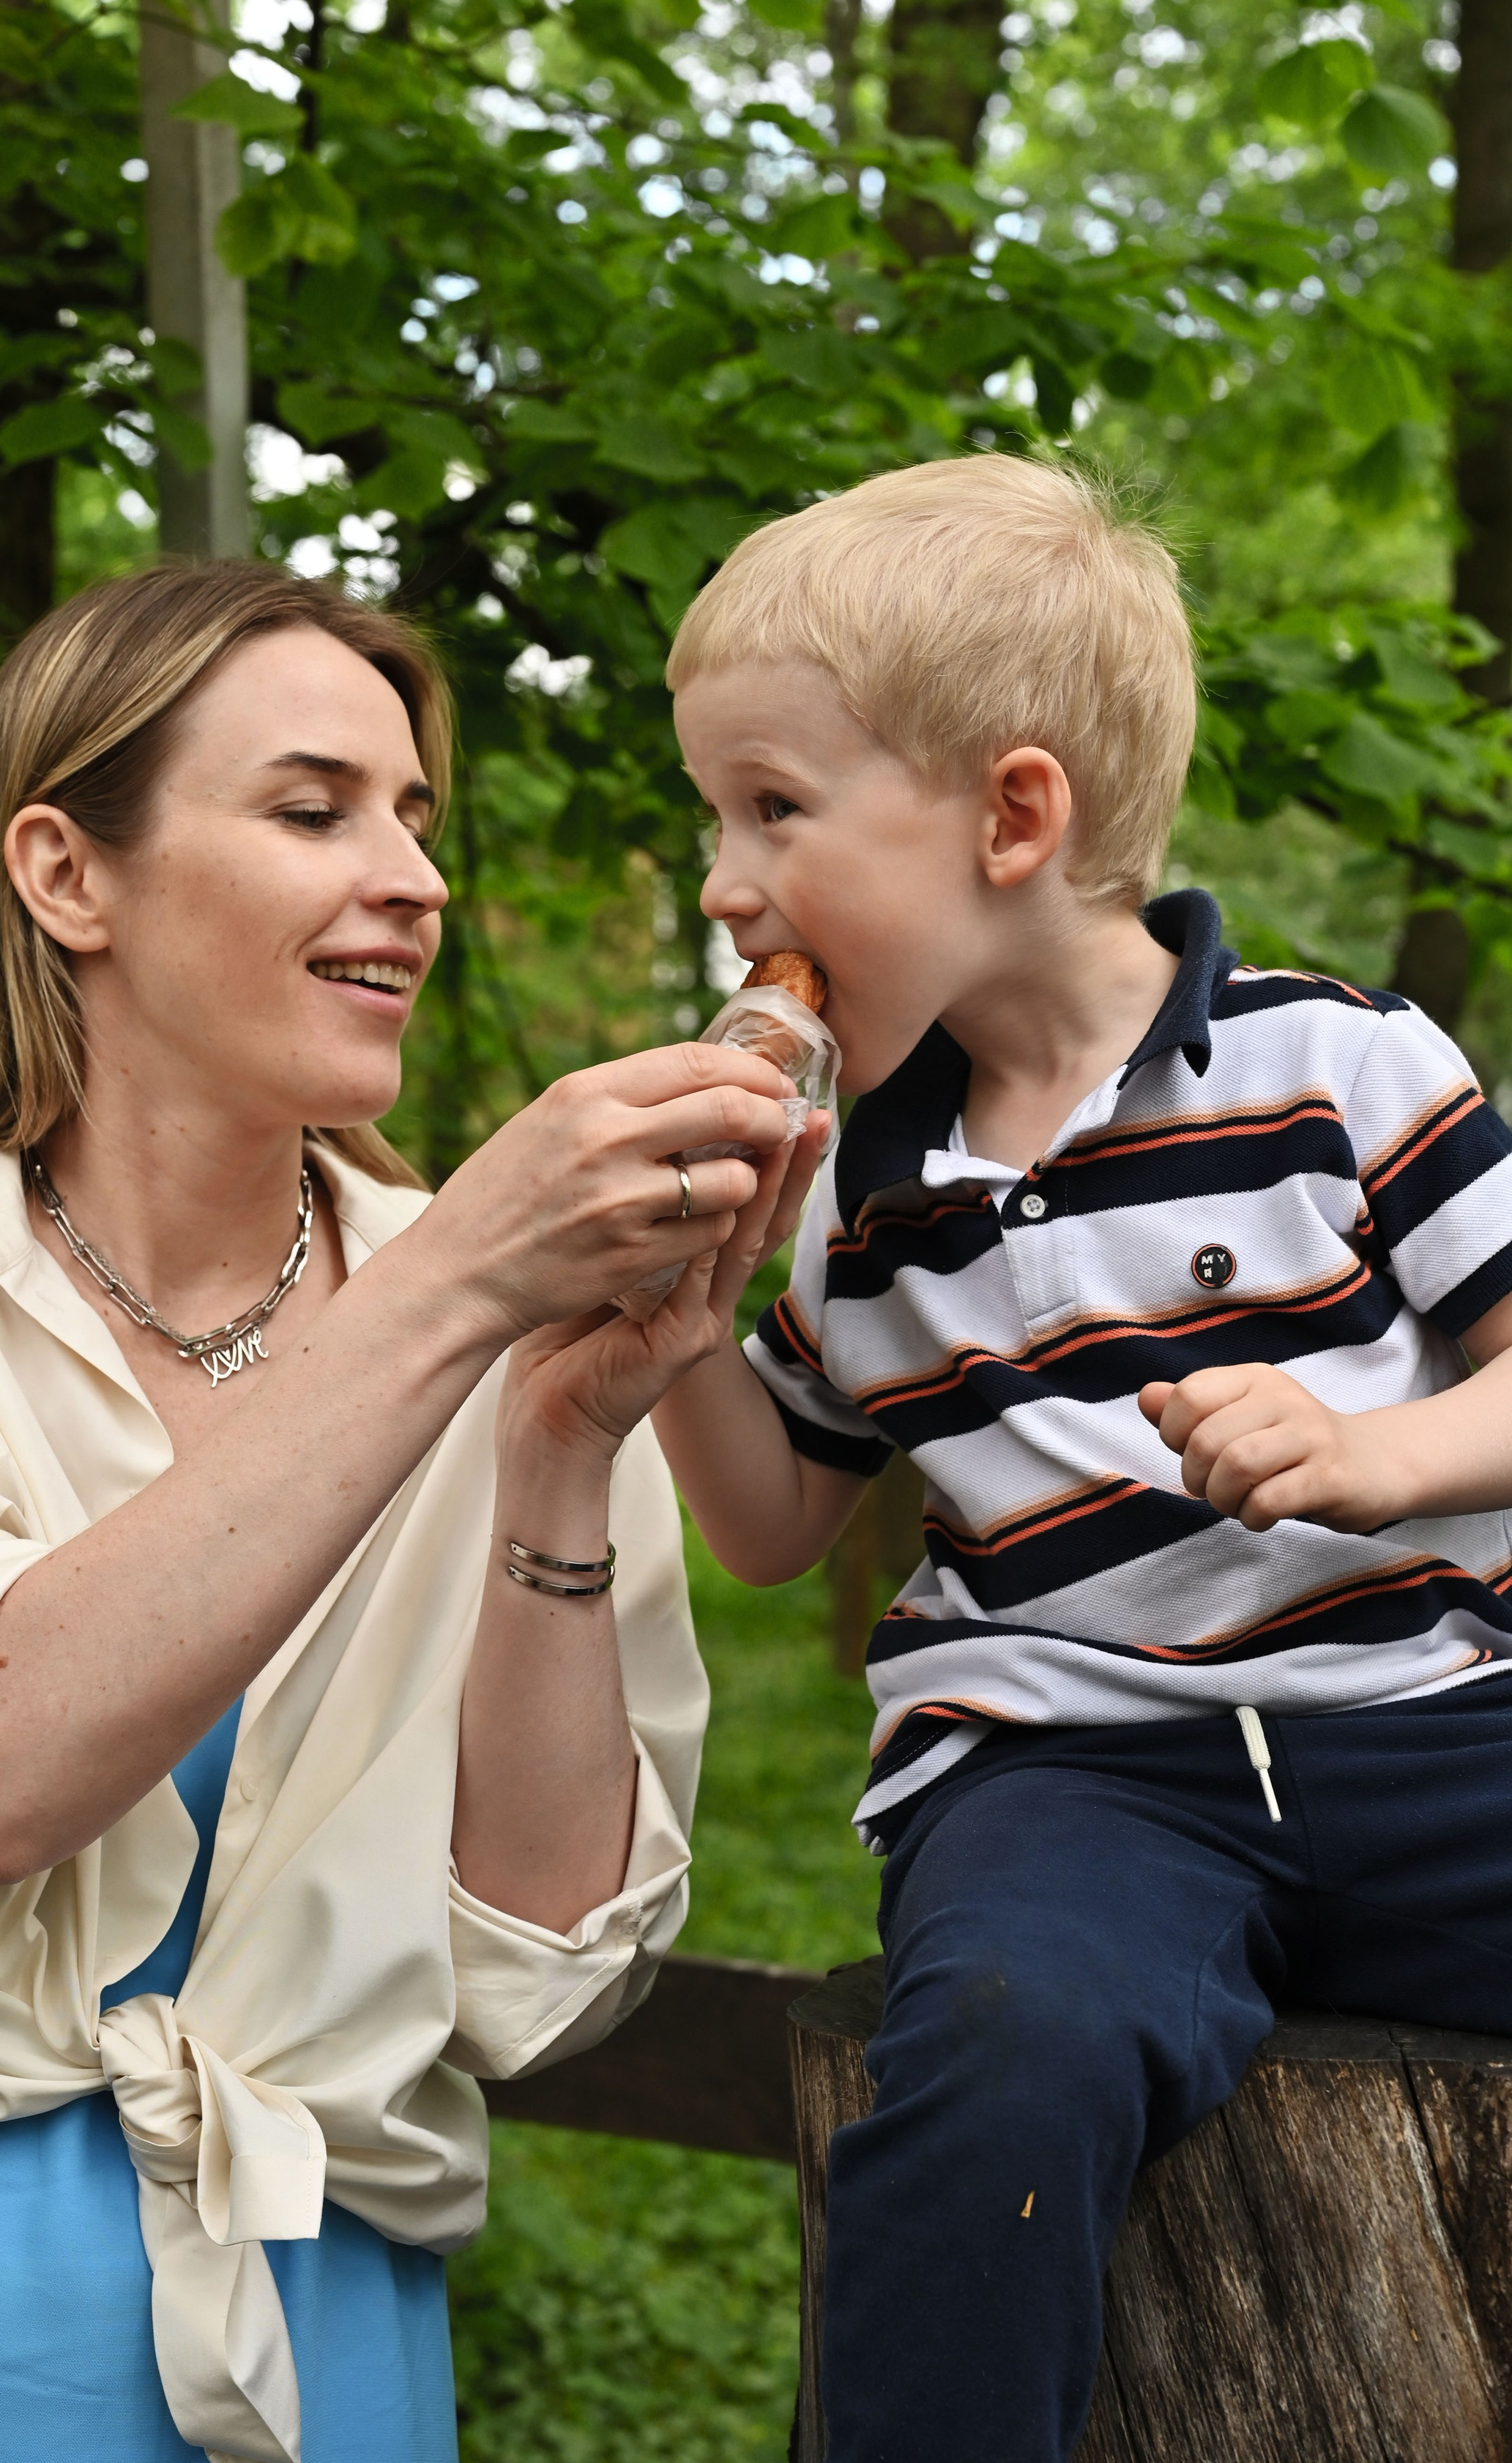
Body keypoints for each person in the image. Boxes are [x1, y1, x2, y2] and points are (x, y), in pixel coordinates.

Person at [0, 559, 810, 2463]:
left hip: (329, 2317)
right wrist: (460, 1292)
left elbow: (540, 1962)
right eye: (312, 809)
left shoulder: (502, 1300)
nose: (416, 881)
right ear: (64, 874)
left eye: (418, 821)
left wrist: (567, 1446)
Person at [628, 455, 1512, 2462]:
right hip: (1077, 1769)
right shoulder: (856, 1195)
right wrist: (680, 1335)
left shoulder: (1343, 1073)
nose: (719, 881)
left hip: (1431, 1721)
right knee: (997, 2059)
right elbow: (775, 1529)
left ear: (1013, 817)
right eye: (711, 815)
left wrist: (1380, 1458)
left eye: (772, 808)